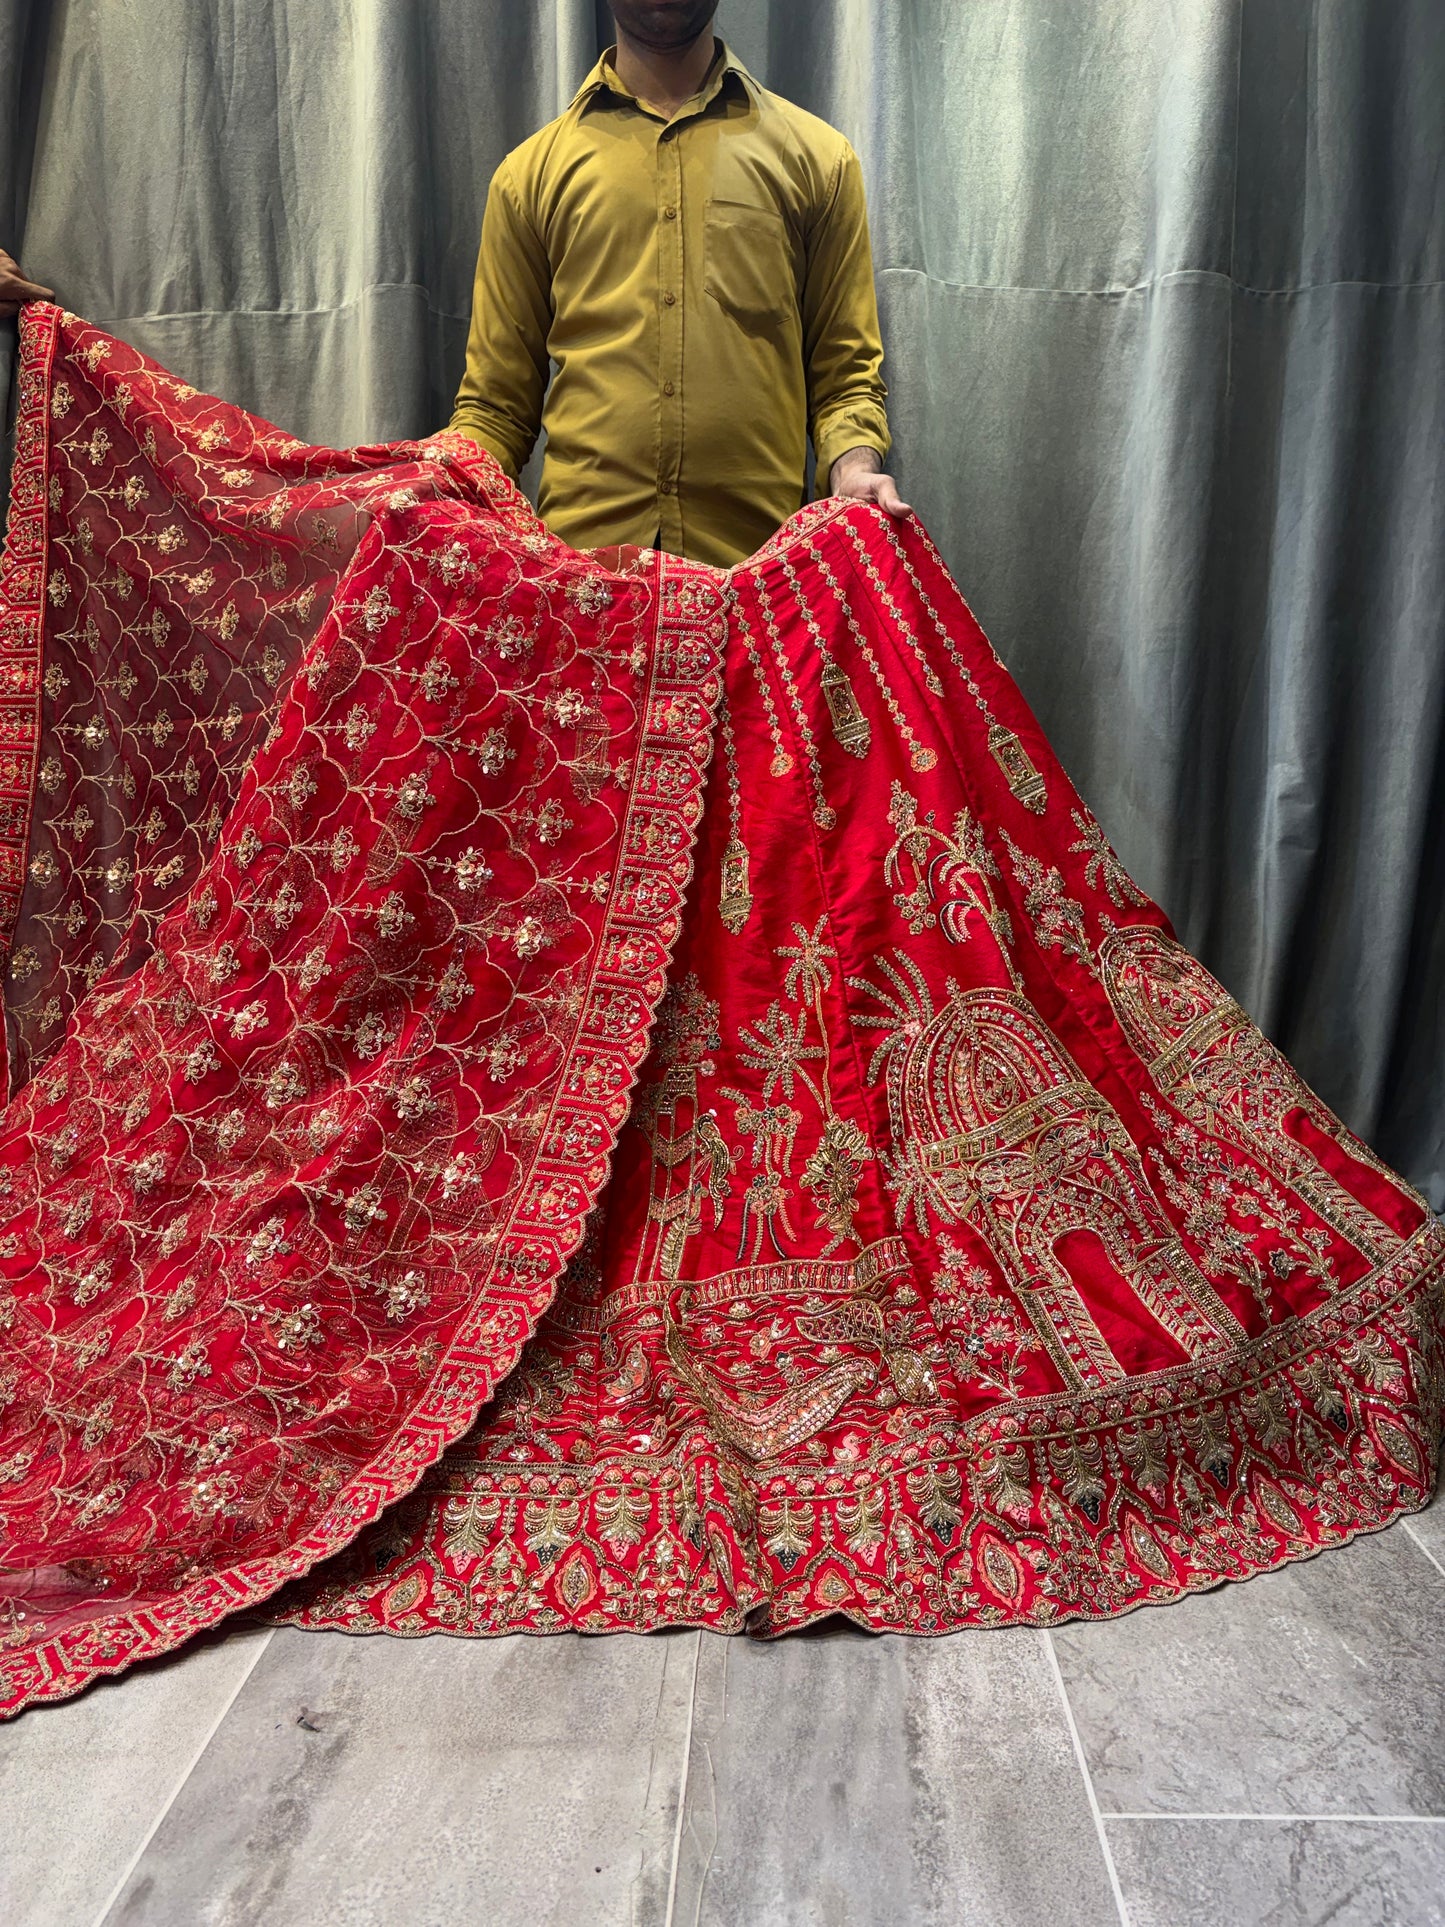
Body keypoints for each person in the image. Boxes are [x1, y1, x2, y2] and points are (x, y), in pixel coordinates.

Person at [448, 1, 910, 566]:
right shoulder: (527, 178)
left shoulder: (820, 161)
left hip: (757, 586)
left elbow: (845, 381)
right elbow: (496, 407)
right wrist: (437, 485)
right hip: (583, 591)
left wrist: (854, 472)